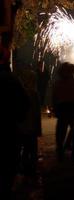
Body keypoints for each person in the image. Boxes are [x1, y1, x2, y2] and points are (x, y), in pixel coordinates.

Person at [0, 63, 29, 199]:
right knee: (9, 159)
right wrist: (19, 118)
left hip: (9, 124)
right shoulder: (12, 80)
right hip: (9, 125)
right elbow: (25, 102)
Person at [53, 63, 74, 163]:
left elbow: (55, 98)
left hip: (63, 109)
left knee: (60, 134)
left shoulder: (58, 83)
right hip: (73, 109)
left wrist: (55, 109)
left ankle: (60, 155)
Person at [17, 70, 42, 179]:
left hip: (22, 126)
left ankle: (24, 167)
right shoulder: (34, 93)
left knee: (25, 149)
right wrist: (38, 129)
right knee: (32, 149)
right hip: (31, 126)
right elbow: (36, 113)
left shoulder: (19, 92)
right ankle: (31, 169)